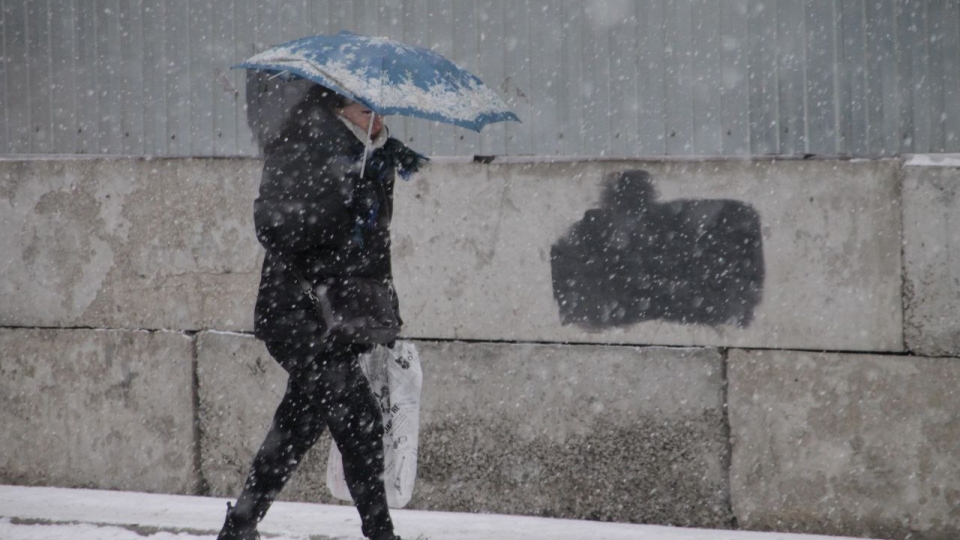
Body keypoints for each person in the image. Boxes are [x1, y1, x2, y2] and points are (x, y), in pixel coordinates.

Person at [217, 83, 426, 540]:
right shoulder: (299, 145)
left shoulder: (371, 156)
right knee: (360, 417)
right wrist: (343, 198)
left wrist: (386, 313)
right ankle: (380, 532)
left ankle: (240, 525)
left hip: (338, 318)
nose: (375, 120)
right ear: (337, 108)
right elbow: (273, 225)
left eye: (380, 111)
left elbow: (373, 246)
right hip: (296, 313)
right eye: (365, 109)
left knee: (297, 424)